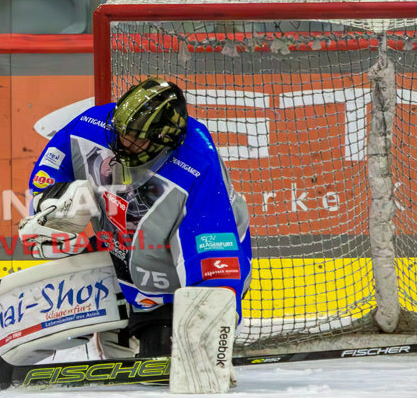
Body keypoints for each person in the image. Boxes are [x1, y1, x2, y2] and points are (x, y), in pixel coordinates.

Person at [20, 77, 252, 357]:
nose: (123, 141)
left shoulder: (198, 164)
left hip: (169, 276)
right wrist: (49, 207)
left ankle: (142, 328)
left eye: (135, 139)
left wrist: (210, 326)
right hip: (121, 254)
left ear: (163, 140)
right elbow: (50, 170)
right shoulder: (95, 123)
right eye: (121, 132)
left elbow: (213, 250)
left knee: (160, 360)